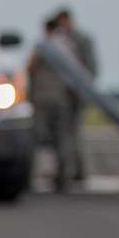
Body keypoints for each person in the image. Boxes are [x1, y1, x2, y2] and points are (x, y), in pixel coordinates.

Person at [27, 16, 79, 191]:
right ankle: (63, 176)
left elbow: (30, 68)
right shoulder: (67, 46)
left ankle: (30, 177)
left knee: (36, 138)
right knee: (63, 138)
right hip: (61, 98)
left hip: (42, 99)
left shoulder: (42, 46)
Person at [52, 8, 96, 181]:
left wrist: (84, 89)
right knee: (65, 134)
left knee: (73, 133)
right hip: (62, 95)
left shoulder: (82, 40)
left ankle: (78, 170)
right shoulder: (59, 41)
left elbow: (91, 67)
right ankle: (70, 169)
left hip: (77, 94)